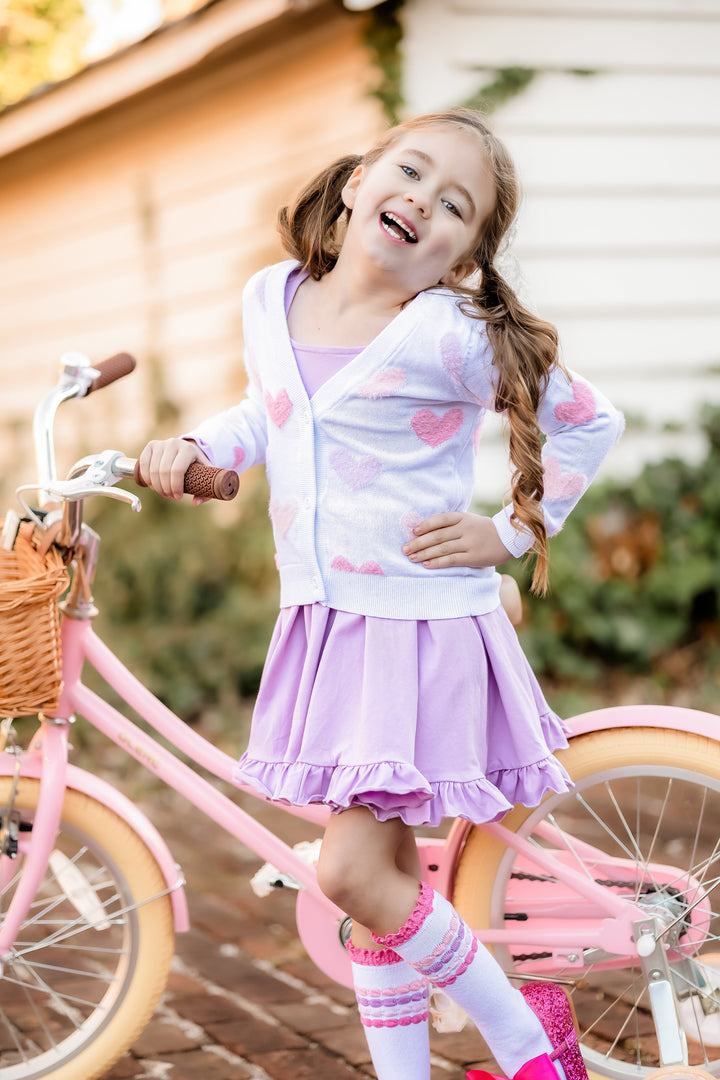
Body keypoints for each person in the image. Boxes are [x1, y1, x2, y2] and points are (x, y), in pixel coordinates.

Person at [137, 108, 623, 1080]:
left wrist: (514, 531)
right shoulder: (270, 298)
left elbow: (587, 422)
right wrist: (201, 454)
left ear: (460, 261)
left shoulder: (448, 333)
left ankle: (533, 1051)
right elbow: (268, 411)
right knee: (384, 886)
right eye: (411, 172)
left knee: (351, 873)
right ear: (358, 180)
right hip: (326, 626)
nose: (424, 203)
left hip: (412, 632)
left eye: (457, 207)